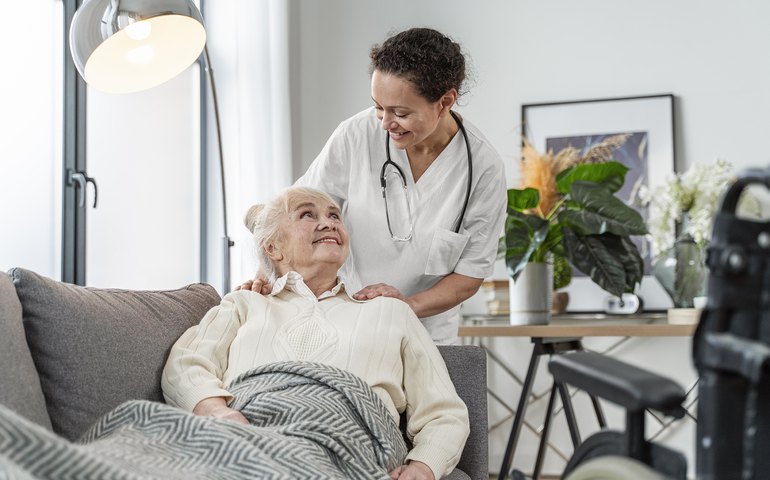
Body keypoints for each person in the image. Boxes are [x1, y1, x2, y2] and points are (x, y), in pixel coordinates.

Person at [162, 186, 470, 480]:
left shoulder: (390, 311)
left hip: (353, 447)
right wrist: (218, 413)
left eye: (335, 216)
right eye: (307, 215)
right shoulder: (244, 303)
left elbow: (444, 412)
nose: (328, 223)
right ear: (273, 247)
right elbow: (186, 364)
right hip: (246, 438)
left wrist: (424, 465)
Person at [239, 27, 507, 345]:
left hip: (424, 334)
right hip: (341, 320)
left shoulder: (483, 169)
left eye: (401, 112)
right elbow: (296, 212)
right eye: (378, 106)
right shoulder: (356, 135)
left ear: (445, 101)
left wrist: (404, 307)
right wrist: (266, 273)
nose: (384, 122)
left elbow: (468, 277)